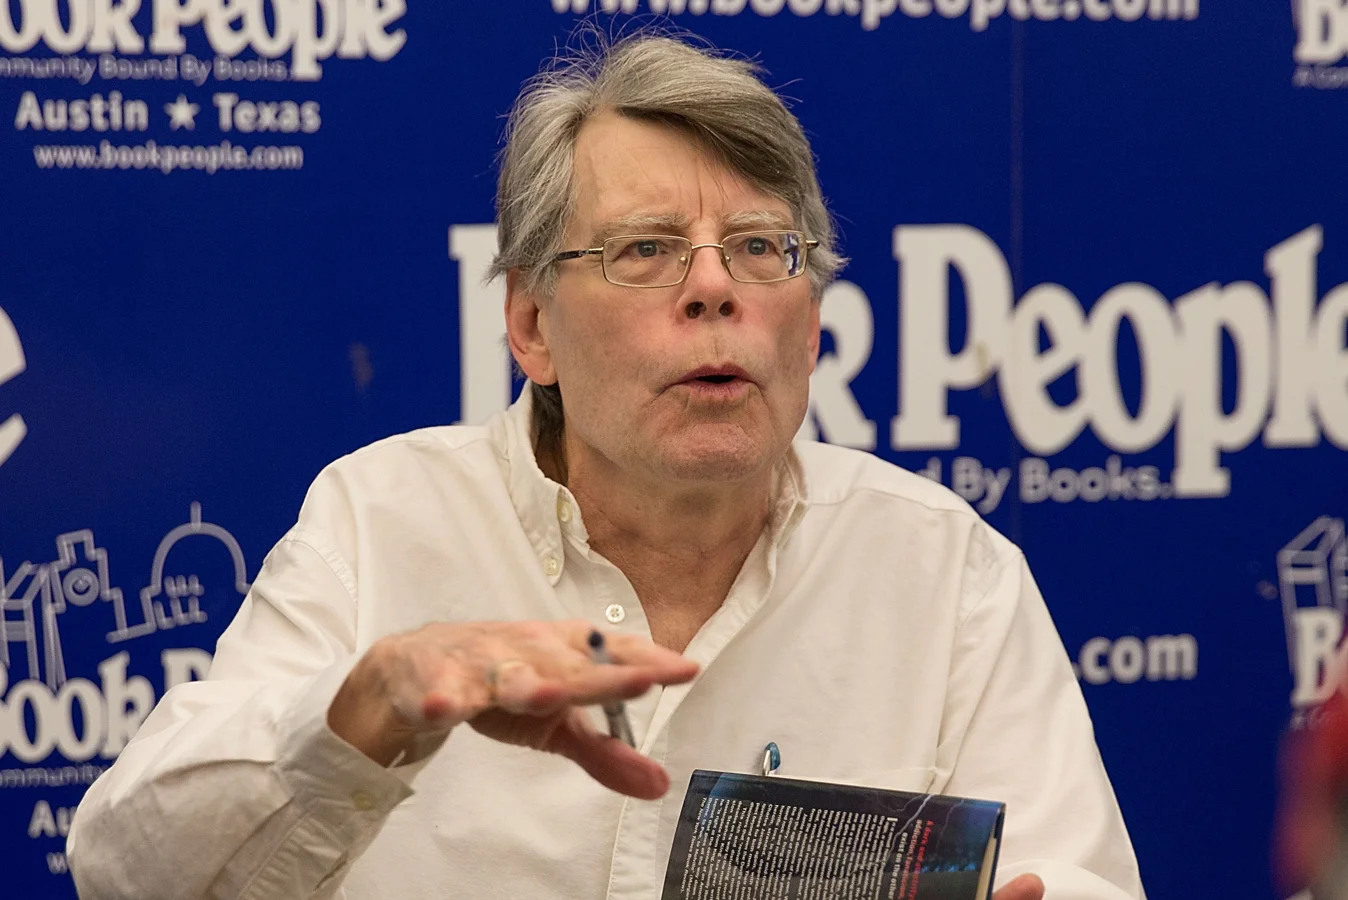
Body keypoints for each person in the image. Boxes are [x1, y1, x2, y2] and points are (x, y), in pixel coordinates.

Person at [67, 32, 1145, 900]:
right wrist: (370, 708)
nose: (714, 288)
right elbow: (130, 870)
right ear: (531, 328)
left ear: (812, 327)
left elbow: (1071, 873)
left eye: (760, 248)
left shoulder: (945, 571)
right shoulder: (381, 520)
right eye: (646, 249)